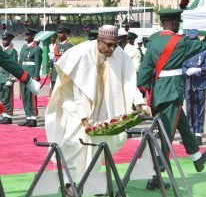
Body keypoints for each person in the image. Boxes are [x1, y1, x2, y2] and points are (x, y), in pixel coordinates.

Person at [137, 8, 206, 179]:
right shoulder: (180, 42)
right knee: (166, 134)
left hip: (158, 92)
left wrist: (146, 92)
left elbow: (144, 72)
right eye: (177, 22)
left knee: (183, 125)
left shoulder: (154, 41)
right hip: (171, 93)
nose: (178, 25)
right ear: (171, 22)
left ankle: (197, 158)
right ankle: (156, 175)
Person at [45, 25, 146, 187]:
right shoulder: (82, 53)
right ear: (98, 40)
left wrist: (139, 102)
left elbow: (128, 80)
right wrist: (84, 117)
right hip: (74, 105)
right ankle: (69, 183)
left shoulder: (119, 54)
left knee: (98, 144)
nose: (112, 49)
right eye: (108, 44)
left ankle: (89, 182)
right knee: (75, 143)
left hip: (102, 106)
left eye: (115, 44)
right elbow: (78, 90)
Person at [182, 29, 206, 146]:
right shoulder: (186, 50)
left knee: (199, 109)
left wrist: (199, 69)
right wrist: (186, 71)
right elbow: (182, 65)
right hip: (189, 83)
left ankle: (198, 134)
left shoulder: (205, 49)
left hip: (200, 82)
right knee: (189, 109)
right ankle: (190, 133)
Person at [18, 28, 43, 127]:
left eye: (28, 35)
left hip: (31, 74)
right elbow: (20, 62)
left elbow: (38, 63)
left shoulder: (36, 49)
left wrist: (36, 76)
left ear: (33, 36)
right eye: (25, 35)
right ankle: (28, 117)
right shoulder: (24, 47)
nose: (26, 36)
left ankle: (33, 118)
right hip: (23, 74)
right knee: (24, 96)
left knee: (31, 96)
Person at [0, 32, 18, 124]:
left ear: (10, 40)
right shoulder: (2, 51)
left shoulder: (12, 51)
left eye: (5, 39)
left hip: (7, 77)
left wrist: (11, 79)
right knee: (2, 98)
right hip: (1, 77)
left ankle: (9, 116)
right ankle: (3, 115)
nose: (3, 41)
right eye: (3, 39)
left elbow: (14, 66)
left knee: (8, 98)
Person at [48, 26, 73, 90]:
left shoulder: (68, 46)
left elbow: (68, 61)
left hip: (62, 72)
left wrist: (55, 59)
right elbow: (52, 59)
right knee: (53, 90)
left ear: (66, 34)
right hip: (54, 72)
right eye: (58, 33)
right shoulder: (57, 45)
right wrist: (50, 69)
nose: (59, 35)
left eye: (61, 33)